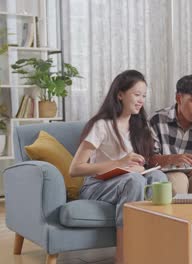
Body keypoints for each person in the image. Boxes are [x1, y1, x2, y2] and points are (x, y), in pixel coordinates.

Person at [69, 70, 167, 264]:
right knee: (134, 181)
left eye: (144, 96)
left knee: (159, 180)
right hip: (96, 186)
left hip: (127, 181)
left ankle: (157, 250)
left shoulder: (140, 126)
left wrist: (143, 166)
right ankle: (124, 257)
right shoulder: (101, 125)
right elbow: (75, 169)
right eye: (136, 94)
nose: (141, 100)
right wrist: (120, 163)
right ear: (120, 94)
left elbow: (142, 163)